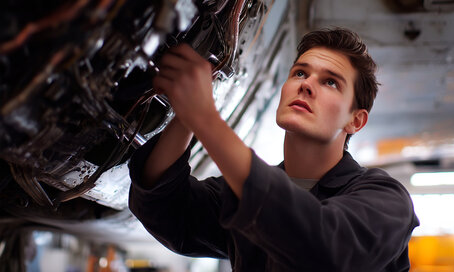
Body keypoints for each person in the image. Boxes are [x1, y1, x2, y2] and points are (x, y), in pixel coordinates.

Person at [128, 28, 419, 271]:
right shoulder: (240, 192)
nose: (306, 85)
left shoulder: (387, 201)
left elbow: (325, 249)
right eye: (300, 73)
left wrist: (205, 118)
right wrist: (186, 115)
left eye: (330, 82)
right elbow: (165, 209)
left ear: (355, 120)